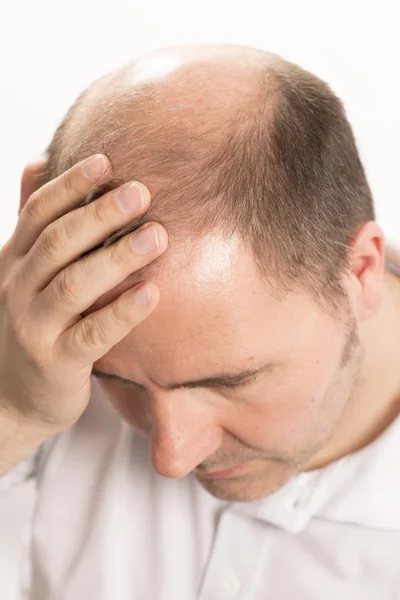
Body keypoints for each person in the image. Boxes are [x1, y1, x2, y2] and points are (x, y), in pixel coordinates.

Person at [1, 43, 400, 600]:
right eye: (113, 380)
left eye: (228, 381)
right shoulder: (47, 349)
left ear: (359, 272)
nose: (171, 458)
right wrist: (14, 410)